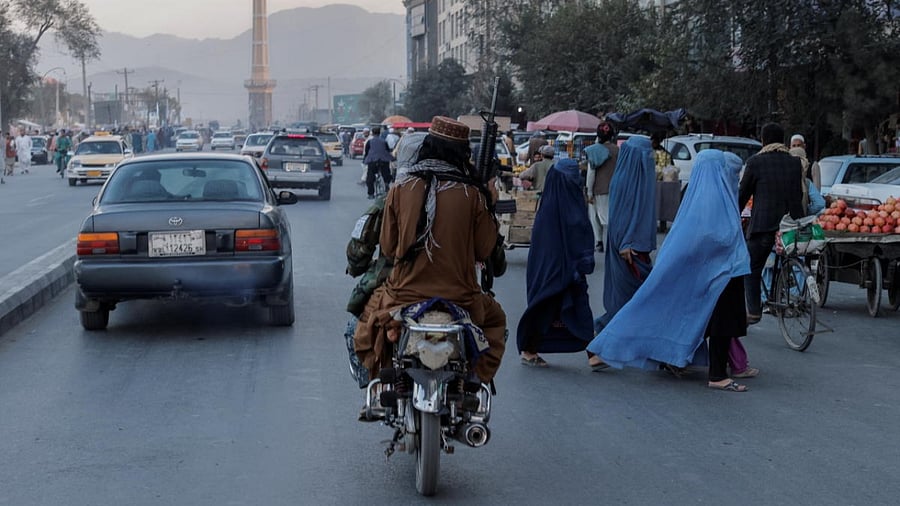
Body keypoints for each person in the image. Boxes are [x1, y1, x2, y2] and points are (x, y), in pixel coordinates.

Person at [353, 116, 506, 391]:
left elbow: (388, 248)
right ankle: (473, 380)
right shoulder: (474, 194)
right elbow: (484, 251)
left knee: (366, 327)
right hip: (462, 298)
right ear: (462, 153)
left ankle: (386, 380)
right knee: (496, 320)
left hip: (403, 294)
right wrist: (489, 205)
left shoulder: (400, 188)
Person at [587, 150, 752, 391]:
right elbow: (715, 236)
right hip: (720, 272)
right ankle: (716, 375)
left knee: (687, 317)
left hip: (710, 272)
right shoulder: (715, 197)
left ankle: (675, 360)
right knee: (716, 322)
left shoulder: (700, 194)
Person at [517, 158, 598, 368]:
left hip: (569, 270)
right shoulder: (555, 209)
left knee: (578, 308)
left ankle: (593, 352)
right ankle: (529, 350)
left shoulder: (558, 204)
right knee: (546, 309)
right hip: (555, 271)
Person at [739, 123, 805, 324]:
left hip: (763, 225)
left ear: (763, 140)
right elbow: (798, 194)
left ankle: (753, 311)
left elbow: (742, 195)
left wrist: (733, 214)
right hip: (791, 225)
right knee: (789, 260)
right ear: (783, 141)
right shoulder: (795, 163)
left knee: (751, 266)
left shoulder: (755, 162)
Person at [593, 136, 657, 334]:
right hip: (628, 248)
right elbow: (622, 216)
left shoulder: (636, 178)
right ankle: (603, 339)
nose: (650, 158)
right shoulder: (625, 181)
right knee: (631, 297)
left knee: (635, 297)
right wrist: (626, 242)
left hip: (637, 246)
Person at [584, 121, 619, 253]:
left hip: (599, 189)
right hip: (616, 188)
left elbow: (591, 173)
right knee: (611, 216)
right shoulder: (618, 150)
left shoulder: (594, 150)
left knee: (596, 217)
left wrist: (589, 192)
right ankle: (614, 242)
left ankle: (599, 242)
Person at [362, 126, 393, 199]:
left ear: (372, 133)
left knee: (370, 177)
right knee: (386, 174)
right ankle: (386, 184)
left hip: (373, 161)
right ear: (379, 133)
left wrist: (365, 160)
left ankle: (371, 193)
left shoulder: (369, 142)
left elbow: (367, 153)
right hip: (384, 161)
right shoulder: (384, 141)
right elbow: (387, 151)